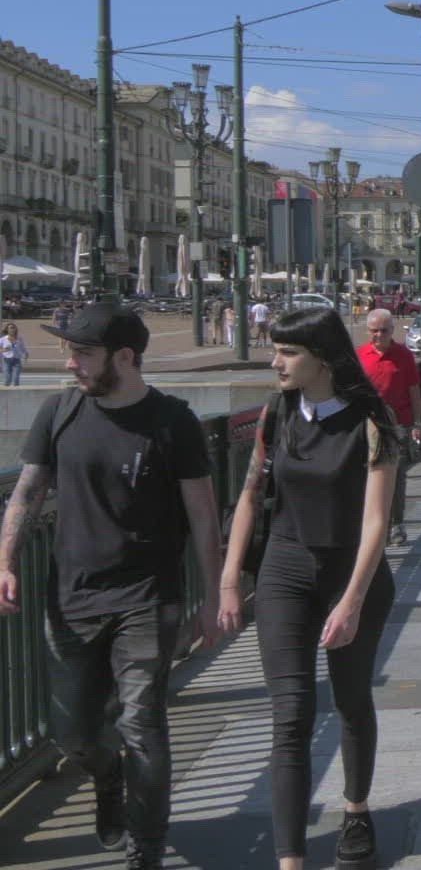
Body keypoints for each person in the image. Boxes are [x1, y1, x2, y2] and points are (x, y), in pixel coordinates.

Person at [0, 303, 223, 869]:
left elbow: (202, 516)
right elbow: (27, 493)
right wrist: (5, 561)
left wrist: (215, 597)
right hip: (72, 597)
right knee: (71, 733)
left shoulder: (172, 422)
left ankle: (145, 848)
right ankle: (107, 776)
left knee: (142, 722)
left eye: (82, 353)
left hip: (148, 597)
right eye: (69, 351)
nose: (68, 362)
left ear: (124, 357)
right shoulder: (59, 411)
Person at [216, 307, 400, 870]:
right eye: (276, 351)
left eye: (287, 352)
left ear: (322, 357)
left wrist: (352, 602)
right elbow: (250, 495)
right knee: (291, 715)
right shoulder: (276, 413)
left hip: (353, 573)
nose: (276, 363)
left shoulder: (372, 421)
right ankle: (290, 860)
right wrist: (229, 580)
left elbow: (376, 522)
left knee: (351, 699)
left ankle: (356, 811)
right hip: (285, 570)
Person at [357, 310, 421, 546]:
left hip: (398, 424)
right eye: (374, 331)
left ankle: (396, 524)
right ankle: (374, 525)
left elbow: (414, 392)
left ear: (392, 331)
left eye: (384, 330)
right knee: (368, 476)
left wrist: (417, 423)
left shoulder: (404, 355)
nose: (379, 335)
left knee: (396, 476)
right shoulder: (359, 356)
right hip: (368, 425)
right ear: (368, 331)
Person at [1, 321, 25, 386]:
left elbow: (23, 347)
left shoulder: (19, 339)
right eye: (11, 328)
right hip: (6, 360)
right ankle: (6, 391)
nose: (13, 329)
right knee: (7, 379)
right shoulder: (3, 339)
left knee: (16, 378)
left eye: (14, 328)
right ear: (7, 329)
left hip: (17, 360)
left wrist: (25, 353)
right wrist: (4, 350)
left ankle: (16, 391)